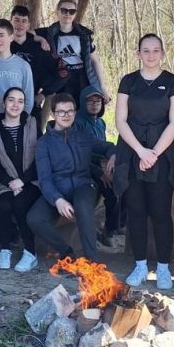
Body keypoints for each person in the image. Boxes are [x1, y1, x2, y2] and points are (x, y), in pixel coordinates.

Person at [114, 34, 174, 290]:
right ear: (138, 53)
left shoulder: (172, 82)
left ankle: (164, 268)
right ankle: (140, 265)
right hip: (132, 152)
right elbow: (121, 120)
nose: (151, 55)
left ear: (163, 53)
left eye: (156, 50)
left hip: (162, 154)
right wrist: (141, 152)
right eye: (146, 50)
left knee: (161, 213)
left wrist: (153, 152)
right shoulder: (128, 81)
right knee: (136, 212)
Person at [32, 93, 115, 262]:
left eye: (70, 111)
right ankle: (67, 252)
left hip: (84, 185)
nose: (66, 115)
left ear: (75, 113)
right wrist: (58, 200)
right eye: (61, 112)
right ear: (53, 114)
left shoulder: (83, 134)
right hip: (57, 188)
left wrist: (113, 155)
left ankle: (91, 261)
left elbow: (107, 146)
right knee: (34, 218)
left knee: (83, 206)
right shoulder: (44, 143)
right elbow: (45, 179)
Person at [0, 87, 42, 272]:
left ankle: (31, 253)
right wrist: (10, 182)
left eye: (20, 101)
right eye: (11, 100)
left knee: (20, 203)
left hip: (31, 180)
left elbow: (40, 157)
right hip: (5, 182)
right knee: (4, 204)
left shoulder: (32, 124)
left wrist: (22, 180)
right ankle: (5, 249)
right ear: (4, 103)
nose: (16, 105)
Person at [73, 86, 120, 245]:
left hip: (100, 162)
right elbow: (82, 152)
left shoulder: (100, 122)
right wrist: (100, 169)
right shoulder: (77, 123)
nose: (94, 104)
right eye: (90, 101)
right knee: (111, 189)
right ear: (82, 102)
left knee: (125, 180)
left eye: (98, 101)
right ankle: (108, 231)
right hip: (84, 167)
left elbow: (103, 146)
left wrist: (109, 158)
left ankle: (117, 224)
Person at [41, 0, 108, 100]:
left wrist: (102, 87)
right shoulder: (49, 32)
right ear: (57, 12)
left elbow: (95, 61)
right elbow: (29, 33)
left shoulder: (84, 34)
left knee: (85, 112)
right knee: (63, 112)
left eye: (72, 11)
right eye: (64, 10)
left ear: (75, 14)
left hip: (82, 79)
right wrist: (40, 39)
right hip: (61, 80)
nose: (67, 14)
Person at [8, 5, 55, 122]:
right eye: (16, 20)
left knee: (34, 139)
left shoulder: (40, 49)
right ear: (10, 22)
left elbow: (61, 73)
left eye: (24, 21)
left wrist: (44, 93)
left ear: (28, 25)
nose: (20, 25)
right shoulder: (2, 47)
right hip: (6, 105)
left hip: (32, 104)